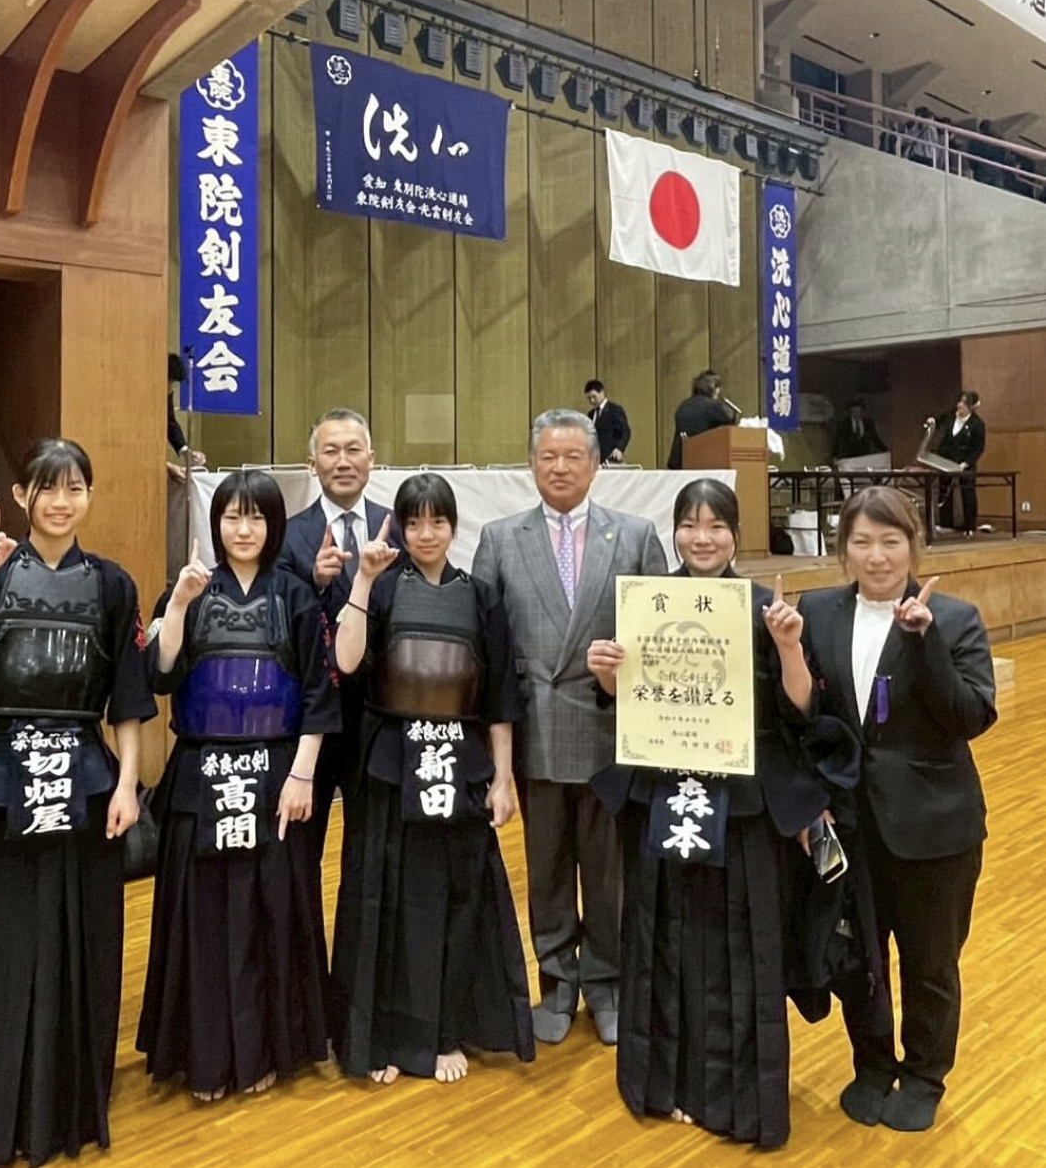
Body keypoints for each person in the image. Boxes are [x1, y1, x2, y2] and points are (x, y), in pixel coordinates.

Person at [0, 438, 155, 1168]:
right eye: (47, 487)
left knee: (69, 945)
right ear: (21, 496)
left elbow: (128, 697)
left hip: (79, 778)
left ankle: (57, 1105)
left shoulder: (111, 585)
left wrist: (128, 784)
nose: (61, 501)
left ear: (89, 496)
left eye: (75, 487)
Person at [587, 479, 824, 1147]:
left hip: (742, 804)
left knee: (739, 946)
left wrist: (788, 646)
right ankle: (662, 1083)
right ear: (675, 533)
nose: (702, 538)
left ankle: (736, 1097)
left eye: (716, 525)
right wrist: (605, 672)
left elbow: (802, 706)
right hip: (663, 792)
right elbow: (624, 698)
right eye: (690, 525)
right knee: (662, 936)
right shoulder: (647, 603)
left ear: (735, 534)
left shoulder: (764, 606)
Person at [768, 486, 996, 1133]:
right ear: (842, 549)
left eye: (890, 541)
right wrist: (788, 648)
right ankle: (871, 1065)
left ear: (913, 545)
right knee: (858, 958)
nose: (877, 555)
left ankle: (924, 1075)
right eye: (862, 541)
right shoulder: (819, 610)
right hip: (850, 826)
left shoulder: (954, 618)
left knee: (930, 965)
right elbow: (804, 714)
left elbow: (969, 716)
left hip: (935, 829)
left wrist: (924, 642)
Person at [137, 469, 338, 1099]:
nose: (243, 529)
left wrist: (303, 774)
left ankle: (267, 1049)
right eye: (232, 516)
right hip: (201, 772)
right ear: (216, 522)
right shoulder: (190, 588)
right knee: (202, 914)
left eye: (256, 517)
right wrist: (177, 604)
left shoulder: (296, 594)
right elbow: (159, 676)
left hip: (276, 773)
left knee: (270, 911)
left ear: (273, 525)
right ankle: (204, 1054)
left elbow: (319, 694)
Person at [330, 473, 534, 1085]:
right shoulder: (380, 588)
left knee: (454, 901)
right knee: (384, 900)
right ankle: (384, 1038)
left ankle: (443, 1032)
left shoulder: (481, 597)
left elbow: (499, 698)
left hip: (458, 764)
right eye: (413, 522)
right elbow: (346, 663)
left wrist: (503, 777)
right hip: (391, 766)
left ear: (453, 526)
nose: (425, 534)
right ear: (399, 527)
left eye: (436, 521)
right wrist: (362, 581)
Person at [473, 409, 667, 1047]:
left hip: (610, 733)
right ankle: (557, 982)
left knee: (609, 873)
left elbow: (659, 640)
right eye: (548, 457)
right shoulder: (501, 539)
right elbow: (486, 648)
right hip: (536, 731)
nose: (559, 468)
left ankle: (607, 983)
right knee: (547, 869)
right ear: (532, 465)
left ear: (596, 464)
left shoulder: (635, 537)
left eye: (572, 456)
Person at [275, 408, 404, 858]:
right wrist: (313, 581)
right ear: (312, 464)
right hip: (311, 715)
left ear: (372, 459)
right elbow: (279, 621)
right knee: (302, 846)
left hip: (378, 713)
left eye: (353, 450)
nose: (343, 461)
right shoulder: (288, 536)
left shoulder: (401, 528)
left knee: (371, 848)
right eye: (331, 451)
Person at [935, 391, 986, 535]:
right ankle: (946, 524)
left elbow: (978, 448)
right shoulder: (950, 416)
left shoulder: (977, 424)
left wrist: (966, 463)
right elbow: (938, 422)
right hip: (946, 460)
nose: (960, 406)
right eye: (960, 402)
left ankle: (970, 525)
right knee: (944, 491)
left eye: (964, 403)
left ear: (971, 407)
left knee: (967, 492)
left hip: (964, 463)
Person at [666, 370, 736, 470]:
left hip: (679, 460)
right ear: (712, 388)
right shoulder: (713, 406)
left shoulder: (684, 405)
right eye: (717, 387)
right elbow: (728, 430)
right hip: (703, 462)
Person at [167, 352, 207, 483]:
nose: (170, 388)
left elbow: (170, 423)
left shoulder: (167, 392)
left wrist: (186, 451)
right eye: (170, 382)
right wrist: (166, 465)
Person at [585, 379, 631, 462]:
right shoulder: (590, 414)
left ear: (602, 392)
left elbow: (625, 431)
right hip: (594, 458)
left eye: (594, 396)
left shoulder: (615, 410)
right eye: (589, 398)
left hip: (611, 457)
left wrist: (619, 448)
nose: (592, 400)